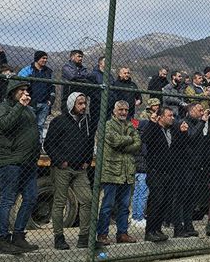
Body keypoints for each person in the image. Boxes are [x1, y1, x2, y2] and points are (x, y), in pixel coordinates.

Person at [0, 78, 40, 255]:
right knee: (8, 200)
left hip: (29, 163)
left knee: (31, 198)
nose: (25, 93)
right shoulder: (2, 108)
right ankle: (3, 240)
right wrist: (20, 106)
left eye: (26, 90)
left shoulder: (29, 110)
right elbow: (4, 125)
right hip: (11, 162)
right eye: (21, 90)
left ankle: (19, 236)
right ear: (13, 92)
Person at [44, 92, 94, 250]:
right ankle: (59, 237)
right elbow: (49, 144)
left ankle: (84, 237)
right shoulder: (59, 121)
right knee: (59, 203)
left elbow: (89, 142)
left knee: (87, 200)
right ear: (72, 104)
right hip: (63, 169)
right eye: (80, 103)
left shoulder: (87, 122)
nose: (83, 106)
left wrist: (87, 160)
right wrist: (60, 161)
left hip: (80, 169)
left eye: (84, 103)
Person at [97, 101, 142, 245]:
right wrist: (128, 140)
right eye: (120, 109)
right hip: (111, 171)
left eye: (126, 109)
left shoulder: (130, 125)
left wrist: (124, 145)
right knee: (107, 206)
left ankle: (122, 233)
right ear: (114, 111)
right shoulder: (108, 125)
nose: (123, 112)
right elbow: (115, 141)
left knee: (124, 206)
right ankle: (102, 234)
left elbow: (138, 144)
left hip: (127, 172)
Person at [172, 103, 208, 237]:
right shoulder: (184, 123)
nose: (201, 112)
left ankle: (188, 225)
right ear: (191, 110)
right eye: (199, 110)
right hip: (184, 166)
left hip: (196, 166)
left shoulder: (199, 124)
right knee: (181, 197)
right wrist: (202, 122)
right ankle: (178, 227)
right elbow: (191, 136)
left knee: (191, 198)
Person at [143, 106, 176, 242]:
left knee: (164, 201)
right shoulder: (155, 129)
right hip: (155, 171)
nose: (172, 118)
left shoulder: (170, 131)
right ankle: (149, 230)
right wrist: (152, 123)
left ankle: (157, 229)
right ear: (161, 117)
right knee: (156, 200)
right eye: (169, 115)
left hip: (168, 172)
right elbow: (145, 138)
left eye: (173, 115)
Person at [17, 51, 55, 145]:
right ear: (37, 58)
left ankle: (37, 145)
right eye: (43, 58)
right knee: (27, 125)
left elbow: (52, 86)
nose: (45, 60)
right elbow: (18, 83)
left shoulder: (48, 71)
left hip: (44, 103)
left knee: (40, 125)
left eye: (46, 58)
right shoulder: (28, 70)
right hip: (30, 102)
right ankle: (25, 144)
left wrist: (51, 100)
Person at [60, 50, 94, 115]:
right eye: (79, 56)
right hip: (68, 97)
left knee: (80, 117)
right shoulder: (66, 67)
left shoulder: (83, 68)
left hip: (81, 98)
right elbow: (72, 77)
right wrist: (83, 78)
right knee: (67, 118)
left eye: (81, 57)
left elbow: (89, 77)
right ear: (72, 57)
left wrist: (79, 76)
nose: (81, 58)